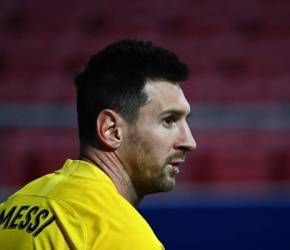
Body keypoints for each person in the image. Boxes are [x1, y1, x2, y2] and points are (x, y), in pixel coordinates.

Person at [0, 39, 196, 249]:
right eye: (169, 121)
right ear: (111, 130)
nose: (189, 142)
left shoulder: (15, 205)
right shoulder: (120, 234)